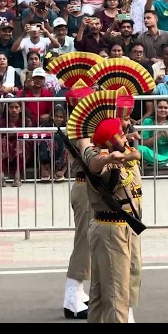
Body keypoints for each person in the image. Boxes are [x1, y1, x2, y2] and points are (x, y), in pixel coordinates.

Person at [66, 88, 144, 324]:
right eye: (120, 133)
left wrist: (120, 149)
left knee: (101, 294)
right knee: (115, 296)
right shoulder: (101, 160)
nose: (125, 133)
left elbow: (137, 155)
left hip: (122, 227)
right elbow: (93, 161)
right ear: (111, 140)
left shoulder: (122, 152)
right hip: (111, 230)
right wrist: (110, 157)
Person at [62, 80, 95, 319]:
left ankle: (78, 292)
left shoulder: (83, 127)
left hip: (88, 188)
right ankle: (72, 295)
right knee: (84, 242)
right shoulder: (80, 130)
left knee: (88, 242)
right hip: (85, 188)